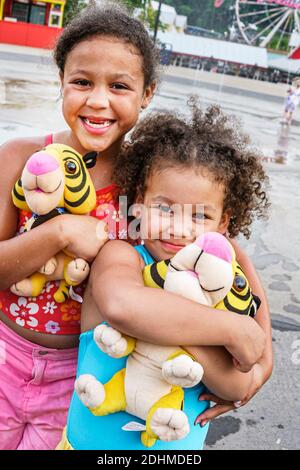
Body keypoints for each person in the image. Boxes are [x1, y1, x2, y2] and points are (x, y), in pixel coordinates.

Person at [58, 103, 273, 450]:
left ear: (223, 224)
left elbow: (236, 386)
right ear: (138, 203)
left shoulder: (219, 289)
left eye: (201, 215)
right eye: (164, 208)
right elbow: (122, 305)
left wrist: (238, 332)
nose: (179, 227)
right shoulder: (122, 257)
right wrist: (232, 329)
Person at [0, 2, 158, 450]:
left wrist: (257, 338)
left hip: (83, 376)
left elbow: (219, 248)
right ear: (62, 82)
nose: (98, 100)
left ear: (146, 93)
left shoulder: (147, 184)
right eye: (82, 82)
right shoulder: (20, 159)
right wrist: (58, 233)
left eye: (120, 86)